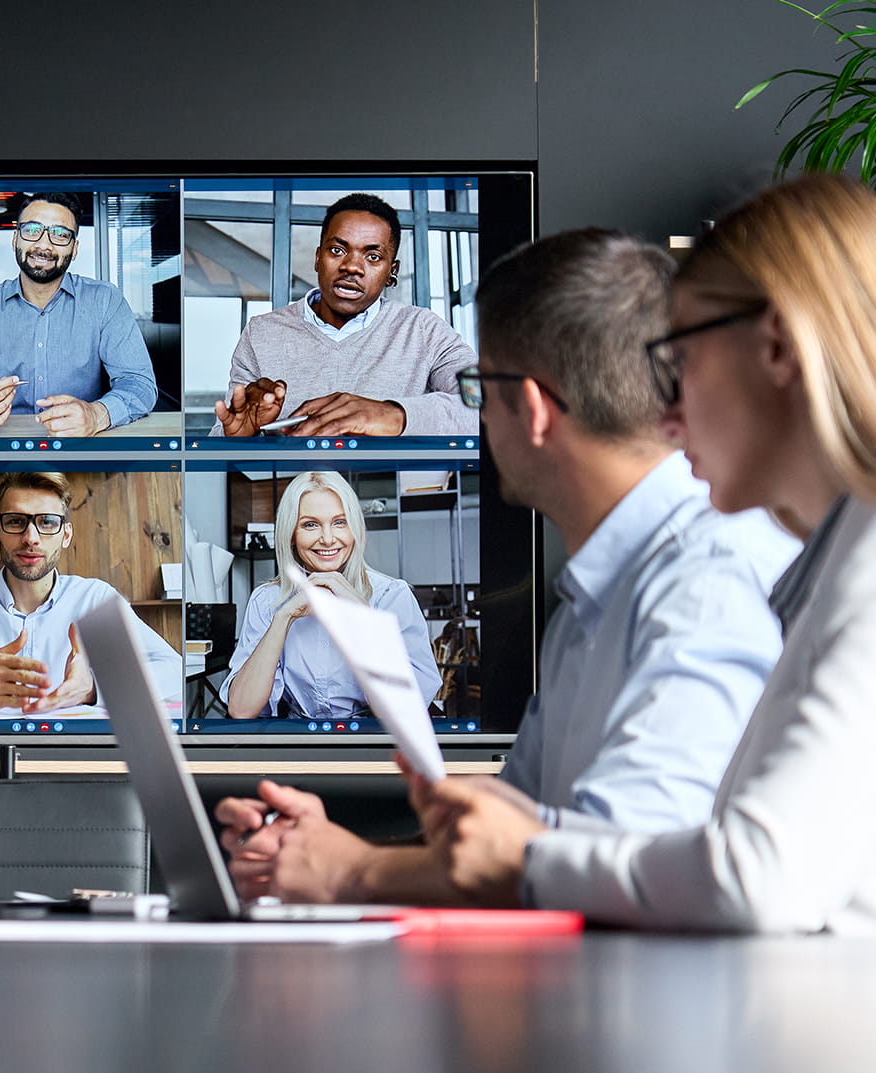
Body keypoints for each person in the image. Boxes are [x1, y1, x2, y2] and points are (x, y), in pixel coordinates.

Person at [371, 175, 876, 934]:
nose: (668, 409)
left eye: (680, 358)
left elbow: (757, 875)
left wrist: (519, 855)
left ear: (778, 347)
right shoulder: (842, 559)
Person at [215, 229, 798, 904]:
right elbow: (523, 837)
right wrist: (318, 850)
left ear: (531, 408)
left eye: (479, 388)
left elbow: (630, 867)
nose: (477, 414)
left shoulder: (707, 581)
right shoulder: (596, 594)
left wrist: (350, 873)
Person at [0, 472, 181, 711]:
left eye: (47, 523)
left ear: (65, 535)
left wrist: (92, 688)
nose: (31, 538)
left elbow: (174, 673)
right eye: (16, 522)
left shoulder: (96, 598)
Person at [211, 193, 476, 438]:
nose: (351, 267)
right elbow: (224, 438)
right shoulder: (262, 333)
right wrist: (239, 437)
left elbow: (490, 406)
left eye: (373, 256)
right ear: (318, 258)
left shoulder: (425, 331)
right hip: (293, 490)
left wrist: (393, 414)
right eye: (337, 250)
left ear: (391, 272)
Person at [0, 193, 158, 437]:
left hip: (82, 449)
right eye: (32, 230)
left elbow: (139, 384)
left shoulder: (106, 300)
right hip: (4, 452)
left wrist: (97, 415)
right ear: (15, 238)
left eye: (60, 234)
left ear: (74, 248)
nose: (44, 245)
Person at [223, 471, 442, 721]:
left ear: (355, 529)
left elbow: (401, 712)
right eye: (310, 525)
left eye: (340, 522)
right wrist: (284, 617)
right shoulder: (266, 601)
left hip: (377, 742)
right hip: (300, 744)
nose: (328, 539)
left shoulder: (393, 596)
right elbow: (241, 710)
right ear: (291, 535)